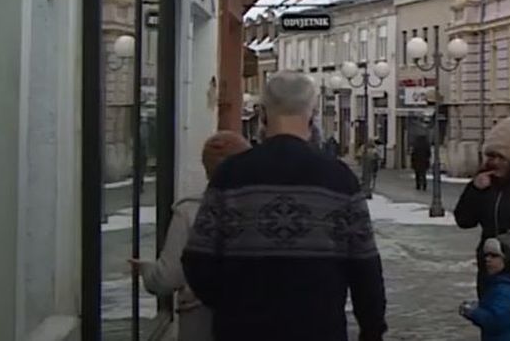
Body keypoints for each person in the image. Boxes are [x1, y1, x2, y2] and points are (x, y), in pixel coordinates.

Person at [183, 70, 388, 341]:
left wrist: (232, 303)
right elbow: (365, 267)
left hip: (241, 331)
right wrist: (372, 329)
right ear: (312, 114)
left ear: (263, 114)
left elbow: (197, 260)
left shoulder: (230, 175)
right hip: (319, 330)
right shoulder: (339, 179)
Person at [131, 131, 250, 341]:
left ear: (206, 169)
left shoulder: (189, 211)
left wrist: (146, 270)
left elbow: (168, 277)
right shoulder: (265, 212)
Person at [454, 117, 510, 295]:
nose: (495, 162)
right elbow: (464, 220)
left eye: (502, 157)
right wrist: (474, 190)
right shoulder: (485, 184)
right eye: (491, 156)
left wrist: (509, 260)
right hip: (489, 269)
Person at [458, 233, 510, 341]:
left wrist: (471, 312)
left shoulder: (506, 290)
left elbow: (494, 321)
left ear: (507, 259)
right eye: (486, 255)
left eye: (494, 256)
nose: (488, 259)